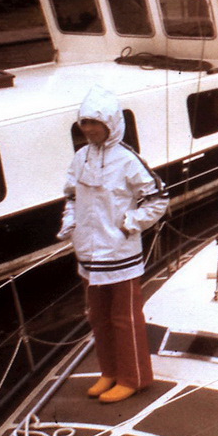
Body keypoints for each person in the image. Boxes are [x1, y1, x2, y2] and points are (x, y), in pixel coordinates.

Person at [57, 85, 169, 403]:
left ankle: (134, 377)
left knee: (125, 318)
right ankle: (109, 371)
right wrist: (70, 224)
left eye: (96, 122)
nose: (89, 129)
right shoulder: (80, 158)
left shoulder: (127, 159)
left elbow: (158, 198)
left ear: (111, 123)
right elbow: (71, 196)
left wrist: (128, 225)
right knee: (98, 316)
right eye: (85, 122)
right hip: (88, 253)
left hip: (119, 252)